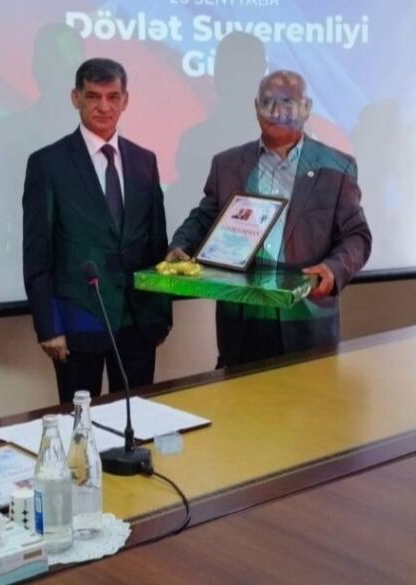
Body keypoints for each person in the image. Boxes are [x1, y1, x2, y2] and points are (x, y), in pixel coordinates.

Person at [168, 70, 371, 367]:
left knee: (307, 397)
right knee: (240, 395)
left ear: (307, 108)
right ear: (255, 107)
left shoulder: (336, 168)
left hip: (306, 316)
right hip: (242, 321)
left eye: (288, 102)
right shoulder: (227, 164)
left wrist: (333, 269)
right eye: (268, 102)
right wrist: (181, 245)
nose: (277, 112)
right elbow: (205, 218)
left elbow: (357, 236)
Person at [23, 58, 170, 403]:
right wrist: (49, 326)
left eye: (113, 97)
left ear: (125, 100)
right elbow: (38, 252)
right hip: (78, 320)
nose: (104, 107)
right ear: (76, 97)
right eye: (93, 96)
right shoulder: (48, 163)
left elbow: (156, 243)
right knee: (80, 422)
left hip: (137, 321)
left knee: (137, 418)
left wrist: (161, 315)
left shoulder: (144, 161)